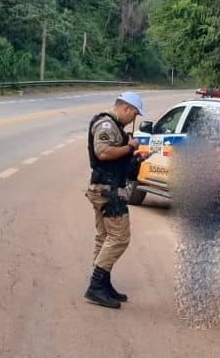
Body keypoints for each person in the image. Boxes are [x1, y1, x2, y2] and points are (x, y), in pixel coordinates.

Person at [84, 92, 147, 309]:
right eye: (135, 114)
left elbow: (117, 157)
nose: (133, 119)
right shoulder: (106, 125)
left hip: (107, 188)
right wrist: (130, 147)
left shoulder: (115, 126)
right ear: (127, 108)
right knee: (120, 237)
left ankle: (103, 283)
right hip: (107, 190)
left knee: (105, 237)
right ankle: (96, 285)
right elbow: (103, 153)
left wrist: (135, 157)